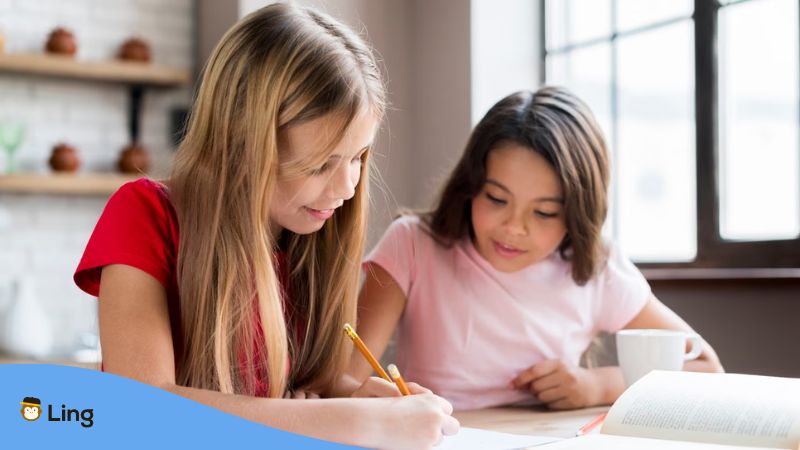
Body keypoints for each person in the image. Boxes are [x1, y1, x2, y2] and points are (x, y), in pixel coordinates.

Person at [73, 4, 458, 448]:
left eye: (358, 158)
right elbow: (141, 410)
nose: (348, 188)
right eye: (319, 165)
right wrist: (357, 420)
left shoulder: (307, 233)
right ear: (241, 146)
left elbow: (311, 382)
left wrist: (360, 398)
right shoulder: (145, 212)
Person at [347, 87, 724, 411]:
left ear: (577, 214)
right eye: (496, 198)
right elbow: (345, 375)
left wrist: (598, 386)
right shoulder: (413, 243)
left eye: (544, 212)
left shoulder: (595, 267)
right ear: (471, 185)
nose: (514, 228)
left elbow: (706, 368)